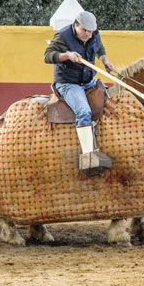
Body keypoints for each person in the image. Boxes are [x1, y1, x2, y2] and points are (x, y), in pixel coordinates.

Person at [44, 11, 115, 175]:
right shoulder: (62, 36)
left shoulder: (93, 33)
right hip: (68, 83)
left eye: (91, 31)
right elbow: (47, 56)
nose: (88, 34)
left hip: (89, 80)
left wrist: (104, 61)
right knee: (83, 111)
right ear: (76, 25)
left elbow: (99, 46)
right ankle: (88, 158)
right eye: (84, 30)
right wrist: (66, 55)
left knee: (111, 101)